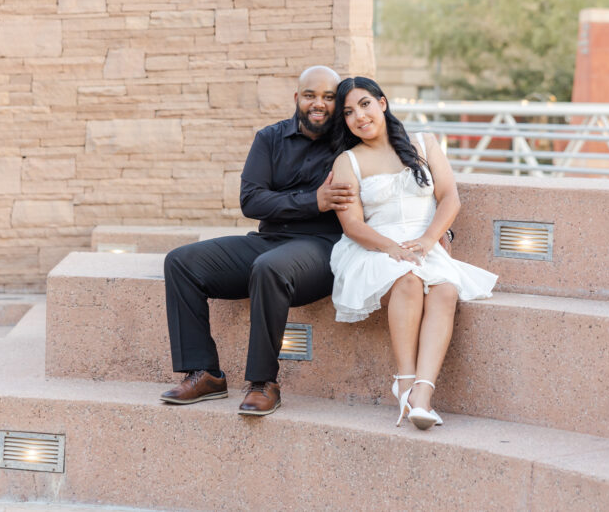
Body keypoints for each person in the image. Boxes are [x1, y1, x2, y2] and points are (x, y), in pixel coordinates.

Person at [160, 66, 354, 417]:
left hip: (323, 248)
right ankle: (205, 374)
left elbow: (403, 177)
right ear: (297, 98)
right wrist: (314, 201)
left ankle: (263, 383)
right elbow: (251, 200)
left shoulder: (350, 142)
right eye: (311, 95)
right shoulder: (269, 139)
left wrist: (440, 232)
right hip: (269, 240)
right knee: (180, 262)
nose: (319, 104)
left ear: (338, 103)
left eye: (329, 97)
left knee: (269, 268)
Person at [328, 76, 497, 430]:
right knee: (406, 281)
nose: (359, 116)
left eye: (364, 104)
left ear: (382, 104)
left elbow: (450, 197)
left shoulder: (425, 143)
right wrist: (392, 248)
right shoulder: (348, 161)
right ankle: (404, 382)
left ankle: (422, 395)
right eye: (348, 112)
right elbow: (352, 225)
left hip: (425, 243)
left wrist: (429, 238)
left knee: (446, 290)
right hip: (374, 247)